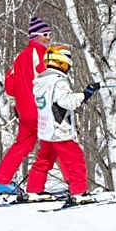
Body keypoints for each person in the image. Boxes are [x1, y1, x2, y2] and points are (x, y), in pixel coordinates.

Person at [25, 45, 101, 203]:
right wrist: (86, 94)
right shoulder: (59, 81)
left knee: (44, 160)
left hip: (46, 129)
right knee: (76, 159)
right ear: (62, 62)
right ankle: (79, 193)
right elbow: (66, 102)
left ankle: (34, 189)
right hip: (59, 129)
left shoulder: (40, 80)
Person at [0, 16, 51, 195]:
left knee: (22, 145)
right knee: (57, 142)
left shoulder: (20, 57)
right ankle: (73, 184)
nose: (49, 38)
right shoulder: (42, 55)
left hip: (24, 112)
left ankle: (1, 182)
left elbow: (10, 86)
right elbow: (48, 81)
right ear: (36, 36)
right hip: (40, 109)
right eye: (46, 34)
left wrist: (21, 101)